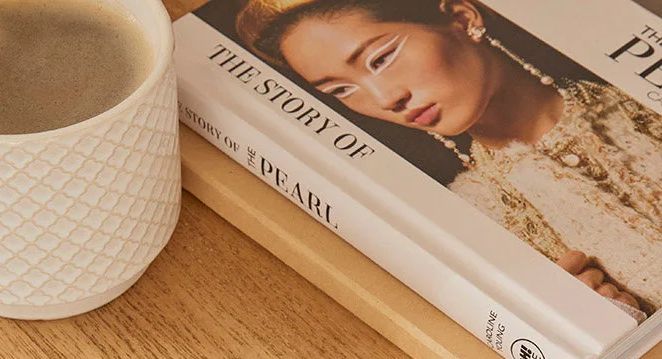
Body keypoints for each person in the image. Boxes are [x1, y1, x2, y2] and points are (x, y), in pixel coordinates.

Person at [235, 0, 662, 320]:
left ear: (463, 19)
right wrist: (592, 326)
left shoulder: (634, 98)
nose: (386, 99)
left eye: (381, 58)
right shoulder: (475, 214)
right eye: (341, 91)